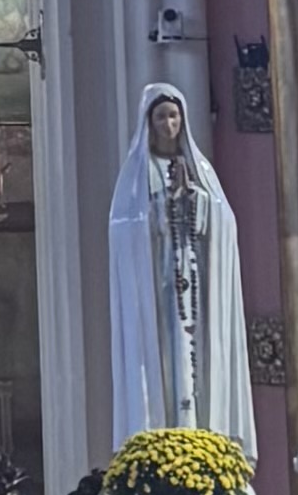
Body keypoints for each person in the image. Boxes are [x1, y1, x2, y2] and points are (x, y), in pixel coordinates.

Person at [106, 83, 251, 444]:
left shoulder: (200, 170)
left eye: (173, 116)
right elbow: (123, 230)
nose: (168, 124)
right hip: (158, 289)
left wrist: (196, 201)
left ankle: (204, 434)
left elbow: (225, 223)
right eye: (161, 117)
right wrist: (161, 206)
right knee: (166, 362)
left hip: (195, 286)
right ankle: (160, 434)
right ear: (149, 123)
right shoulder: (139, 173)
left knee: (194, 357)